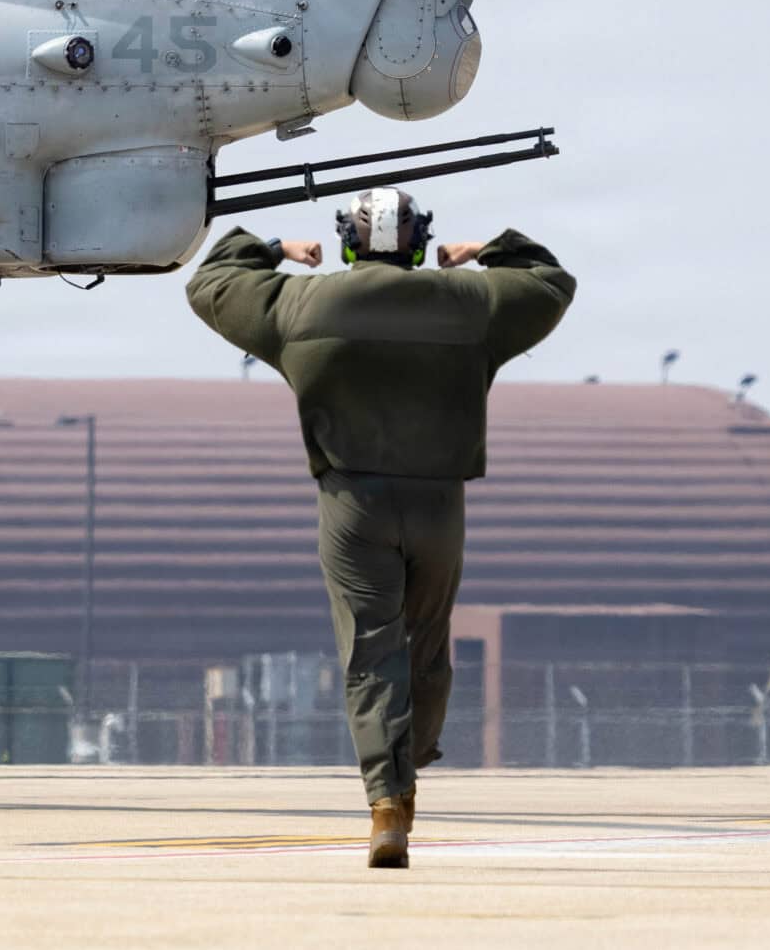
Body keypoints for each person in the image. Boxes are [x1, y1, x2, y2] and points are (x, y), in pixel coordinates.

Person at [184, 189, 574, 870]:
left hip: (351, 501)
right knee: (426, 648)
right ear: (420, 242)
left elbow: (211, 281)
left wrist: (275, 251)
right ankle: (412, 760)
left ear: (348, 243)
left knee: (371, 654)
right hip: (438, 501)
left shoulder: (305, 304)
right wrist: (484, 252)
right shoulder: (468, 302)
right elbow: (549, 282)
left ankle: (386, 802)